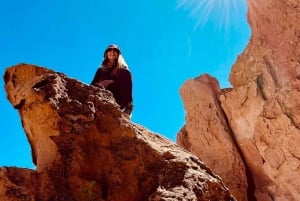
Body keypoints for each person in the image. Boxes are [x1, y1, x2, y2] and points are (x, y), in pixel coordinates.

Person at [91, 44, 133, 118]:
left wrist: (110, 82)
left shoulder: (123, 71)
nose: (112, 52)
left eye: (115, 50)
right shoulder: (100, 70)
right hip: (100, 95)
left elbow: (127, 89)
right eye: (109, 50)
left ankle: (128, 108)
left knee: (125, 72)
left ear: (118, 54)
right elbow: (92, 84)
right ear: (106, 54)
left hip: (116, 99)